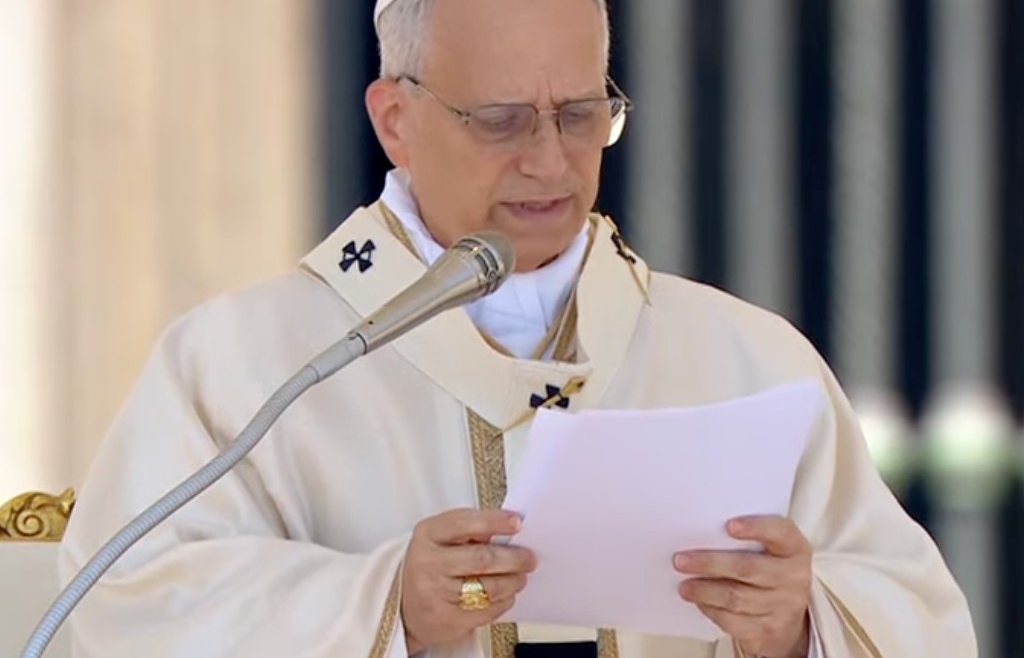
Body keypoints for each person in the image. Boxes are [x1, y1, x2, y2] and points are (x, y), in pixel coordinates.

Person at [59, 0, 975, 656]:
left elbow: (929, 621)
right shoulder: (243, 367)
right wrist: (382, 608)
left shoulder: (748, 357)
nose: (550, 160)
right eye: (500, 122)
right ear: (394, 120)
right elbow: (111, 619)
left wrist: (799, 623)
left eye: (581, 116)